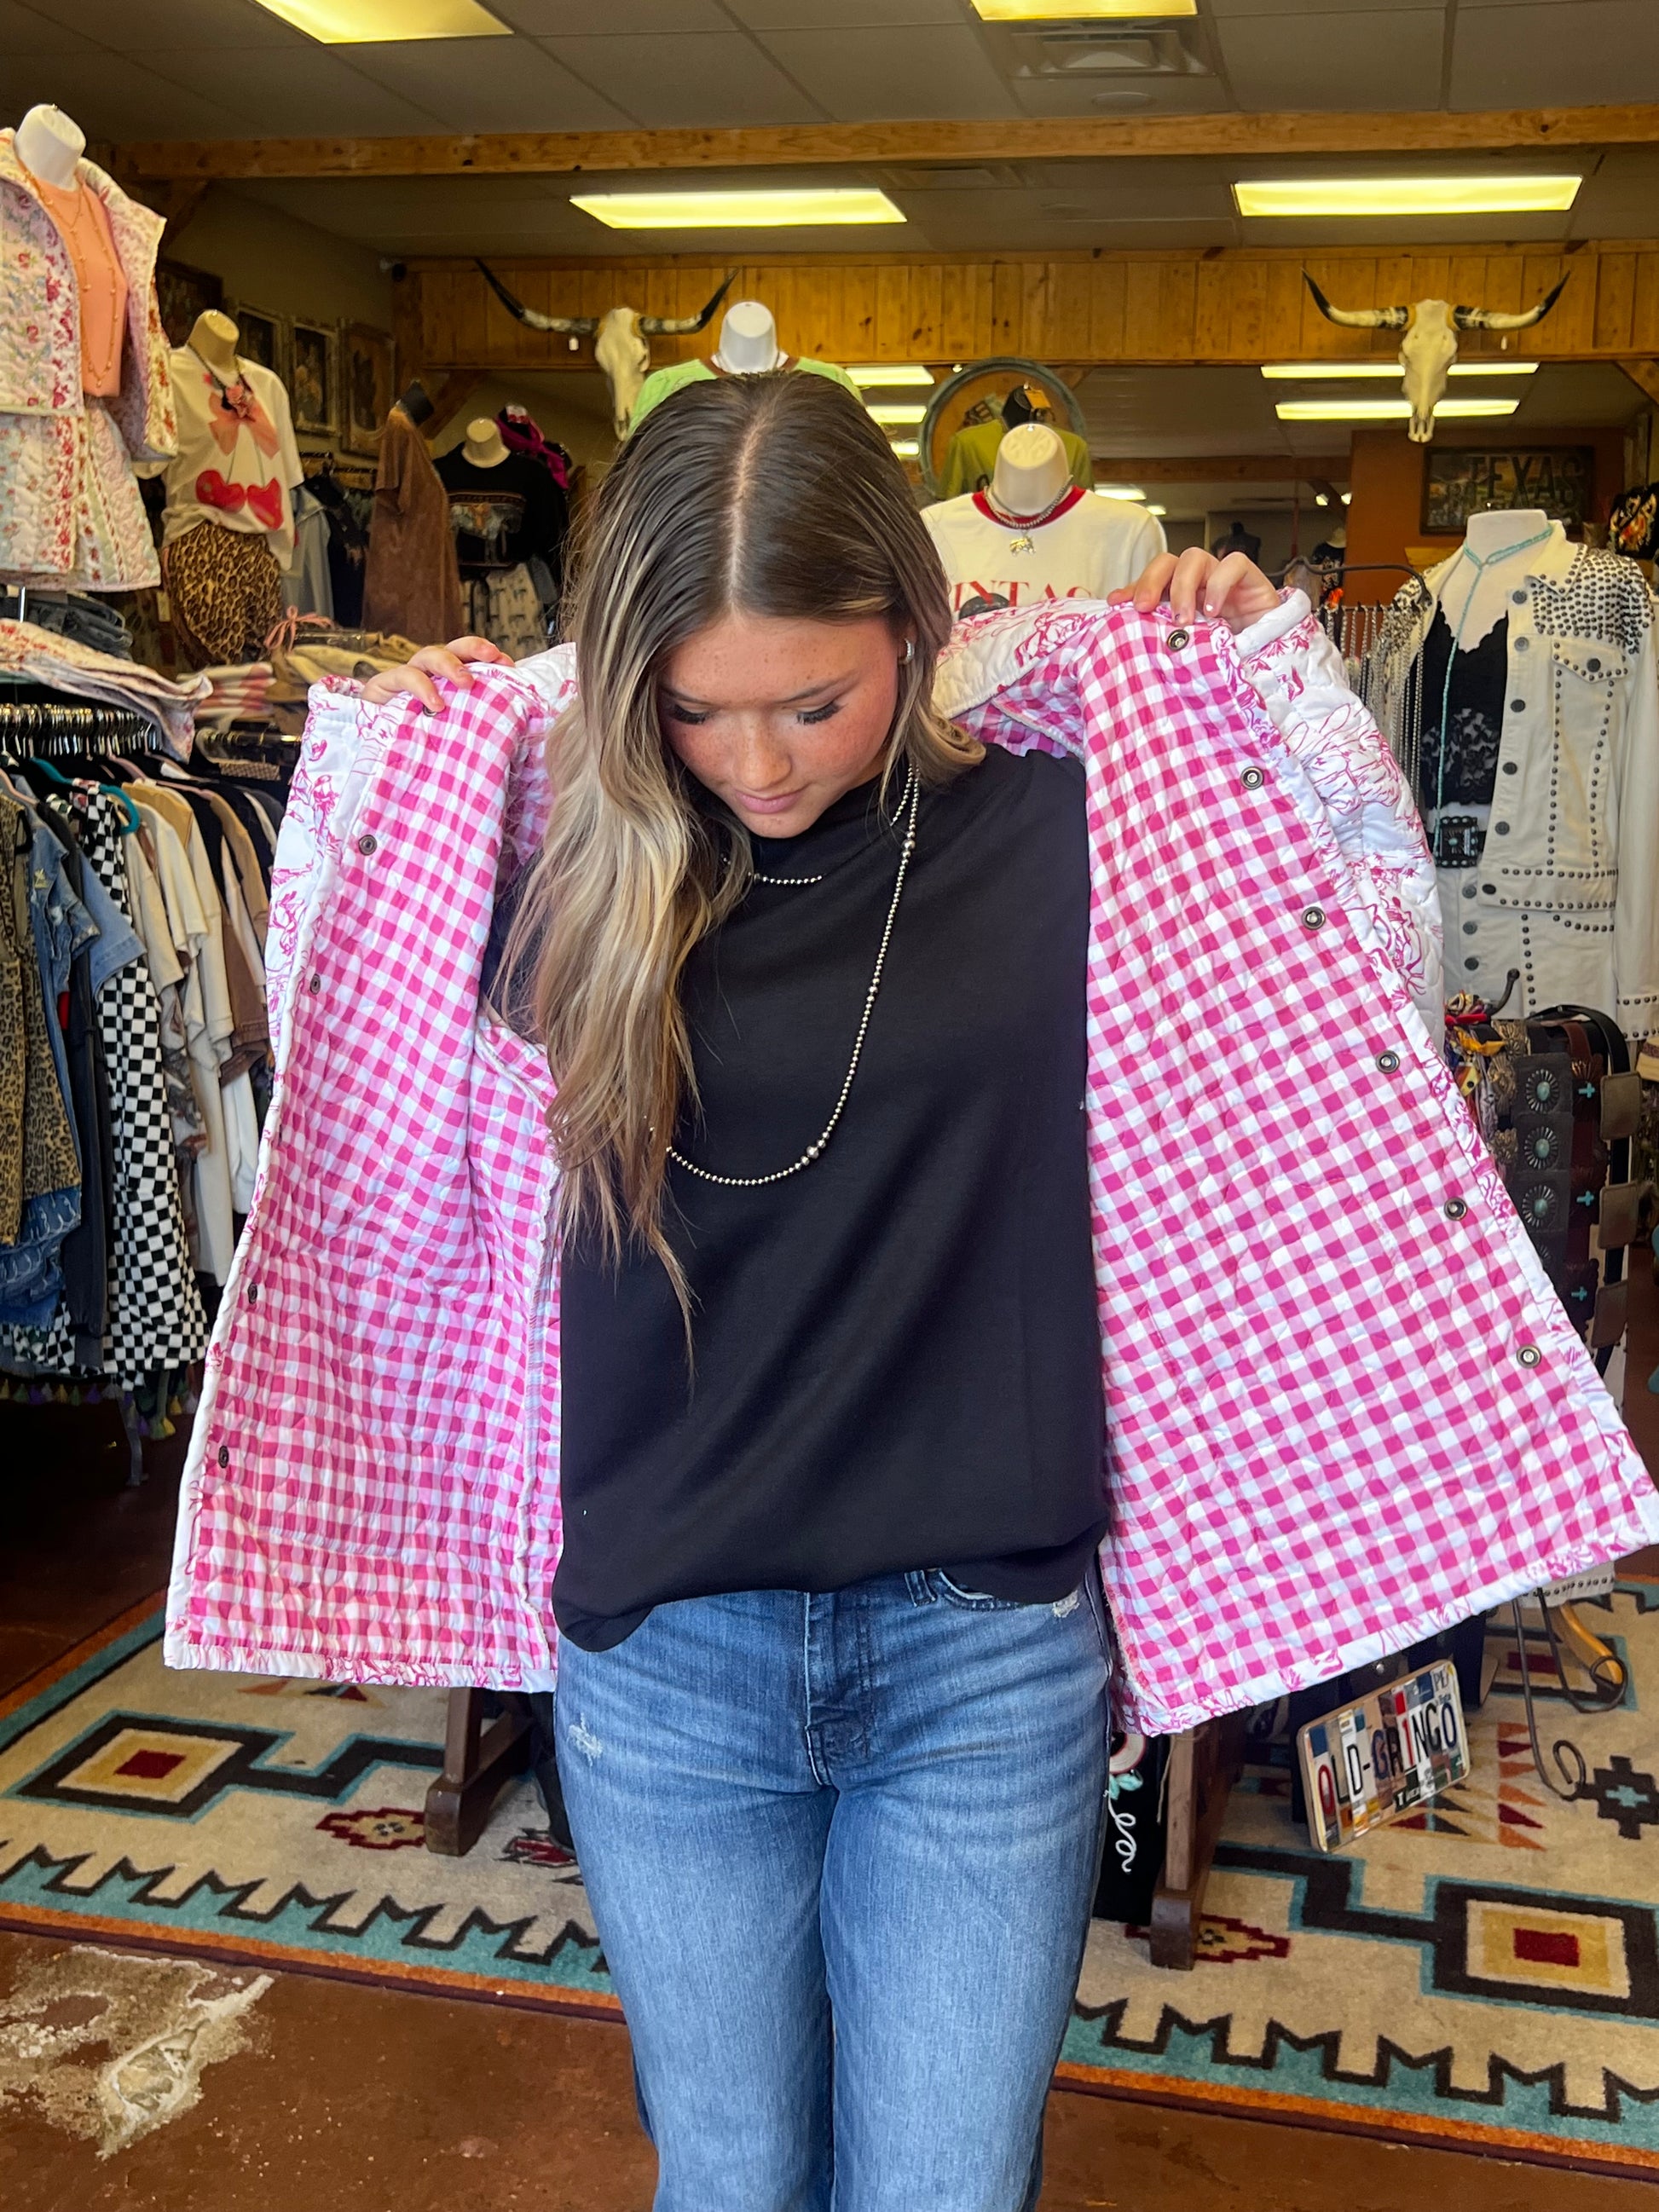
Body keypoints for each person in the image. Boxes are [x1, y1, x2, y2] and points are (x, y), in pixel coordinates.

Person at [350, 373, 1317, 2209]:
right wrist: (398, 767)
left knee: (947, 2185)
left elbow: (1346, 977)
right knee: (729, 2174)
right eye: (692, 709)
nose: (760, 763)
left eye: (814, 701)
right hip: (668, 1650)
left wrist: (1272, 678)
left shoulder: (1084, 823)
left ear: (917, 623)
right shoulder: (536, 857)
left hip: (982, 1646)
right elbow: (358, 1092)